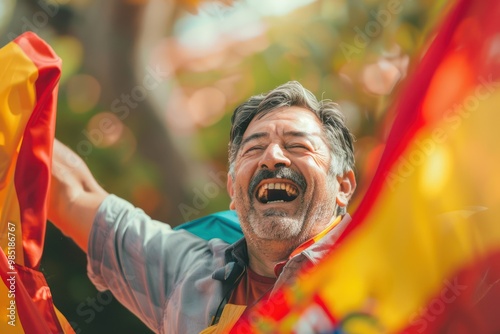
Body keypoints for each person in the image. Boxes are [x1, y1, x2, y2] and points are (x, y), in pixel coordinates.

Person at [48, 81, 357, 333]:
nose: (272, 157)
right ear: (233, 192)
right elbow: (72, 194)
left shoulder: (378, 265)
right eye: (254, 148)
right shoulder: (188, 273)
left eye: (297, 145)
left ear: (343, 187)